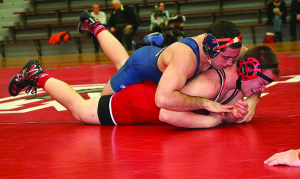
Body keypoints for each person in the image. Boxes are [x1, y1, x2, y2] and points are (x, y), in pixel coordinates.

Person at [8, 45, 280, 128]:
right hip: (141, 104)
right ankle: (38, 75)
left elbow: (248, 90)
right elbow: (167, 113)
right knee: (80, 110)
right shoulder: (211, 83)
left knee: (92, 101)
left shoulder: (236, 72)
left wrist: (247, 105)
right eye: (263, 82)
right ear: (247, 69)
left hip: (150, 89)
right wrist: (216, 121)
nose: (262, 89)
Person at [78, 11, 261, 122]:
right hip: (140, 66)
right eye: (226, 58)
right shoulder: (187, 58)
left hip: (169, 67)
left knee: (126, 63)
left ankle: (155, 44)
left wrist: (253, 100)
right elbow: (162, 100)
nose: (230, 64)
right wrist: (206, 103)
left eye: (234, 58)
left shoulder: (228, 46)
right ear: (210, 48)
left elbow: (263, 64)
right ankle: (94, 25)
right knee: (106, 96)